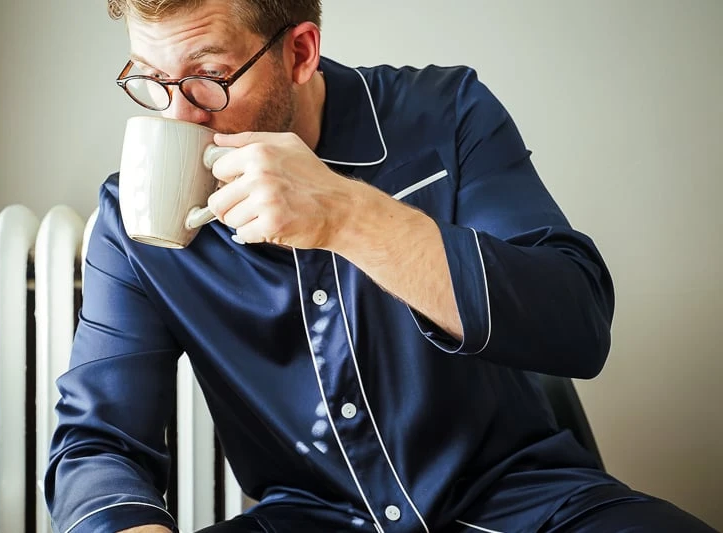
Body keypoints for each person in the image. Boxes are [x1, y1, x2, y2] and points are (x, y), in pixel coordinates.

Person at [45, 1, 716, 532]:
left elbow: (579, 318)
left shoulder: (447, 116)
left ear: (300, 51)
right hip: (305, 520)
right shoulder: (131, 222)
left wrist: (348, 215)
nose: (178, 115)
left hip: (526, 504)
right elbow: (98, 446)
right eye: (149, 80)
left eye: (206, 77)